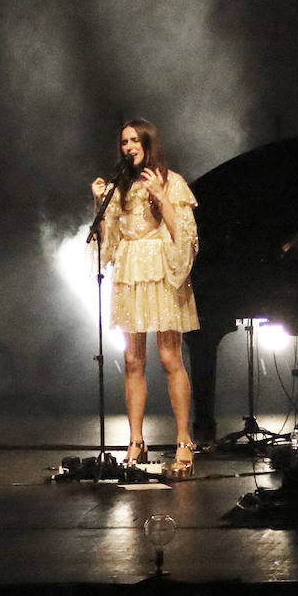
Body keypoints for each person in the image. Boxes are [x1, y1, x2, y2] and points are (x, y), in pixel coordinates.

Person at [91, 119, 200, 476]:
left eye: (134, 140)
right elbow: (108, 240)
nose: (128, 147)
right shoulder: (119, 186)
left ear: (148, 143)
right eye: (123, 141)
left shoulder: (172, 182)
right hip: (131, 272)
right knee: (133, 359)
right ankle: (136, 439)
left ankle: (184, 439)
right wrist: (98, 205)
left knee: (170, 356)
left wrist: (161, 196)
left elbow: (183, 234)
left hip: (163, 270)